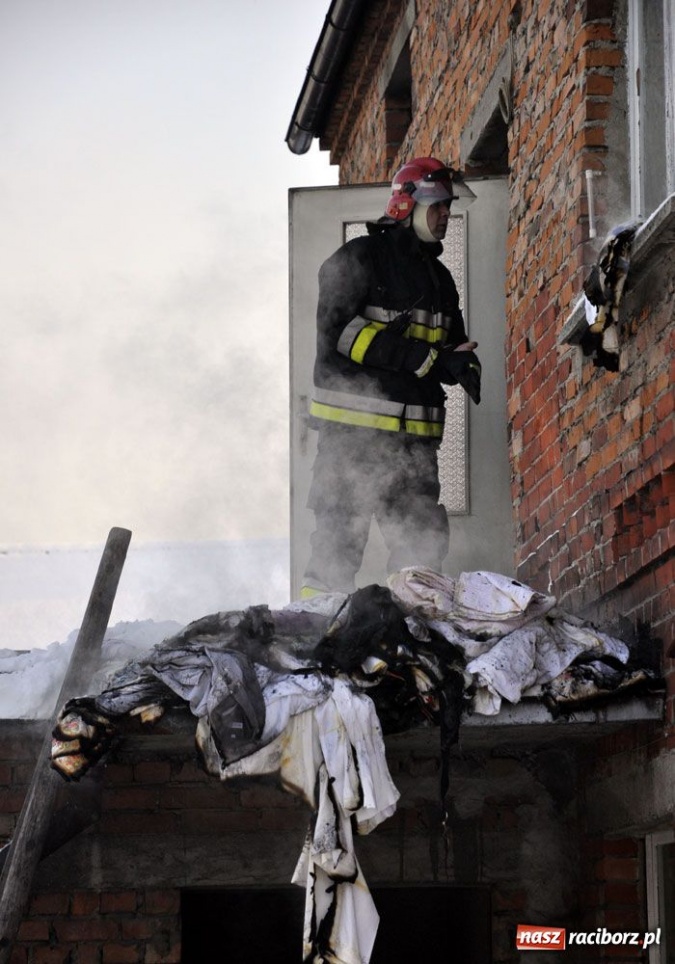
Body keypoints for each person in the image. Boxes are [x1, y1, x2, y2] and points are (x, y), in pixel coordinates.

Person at [301, 157, 481, 598]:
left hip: (415, 448)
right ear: (406, 205)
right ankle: (313, 637)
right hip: (352, 442)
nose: (445, 215)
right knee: (335, 552)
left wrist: (461, 364)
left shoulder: (439, 278)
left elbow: (451, 344)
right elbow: (340, 333)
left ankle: (414, 645)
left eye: (448, 206)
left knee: (421, 557)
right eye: (437, 205)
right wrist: (423, 357)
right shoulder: (358, 259)